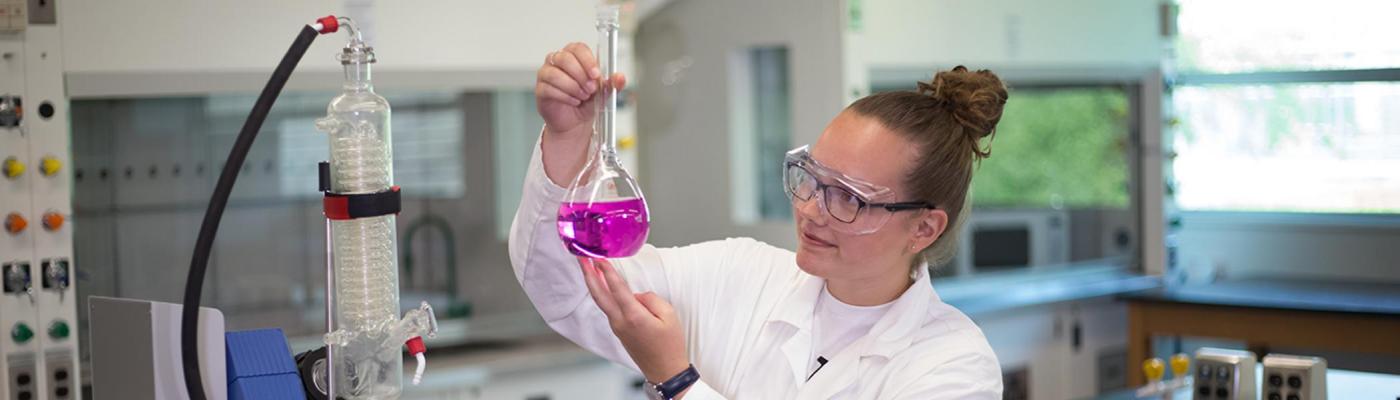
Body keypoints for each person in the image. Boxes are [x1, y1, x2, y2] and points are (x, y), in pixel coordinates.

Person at [509, 42, 1008, 399]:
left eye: (848, 198)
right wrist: (568, 137)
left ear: (924, 228)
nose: (811, 209)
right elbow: (568, 289)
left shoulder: (954, 365)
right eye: (810, 178)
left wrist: (678, 380)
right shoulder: (739, 274)